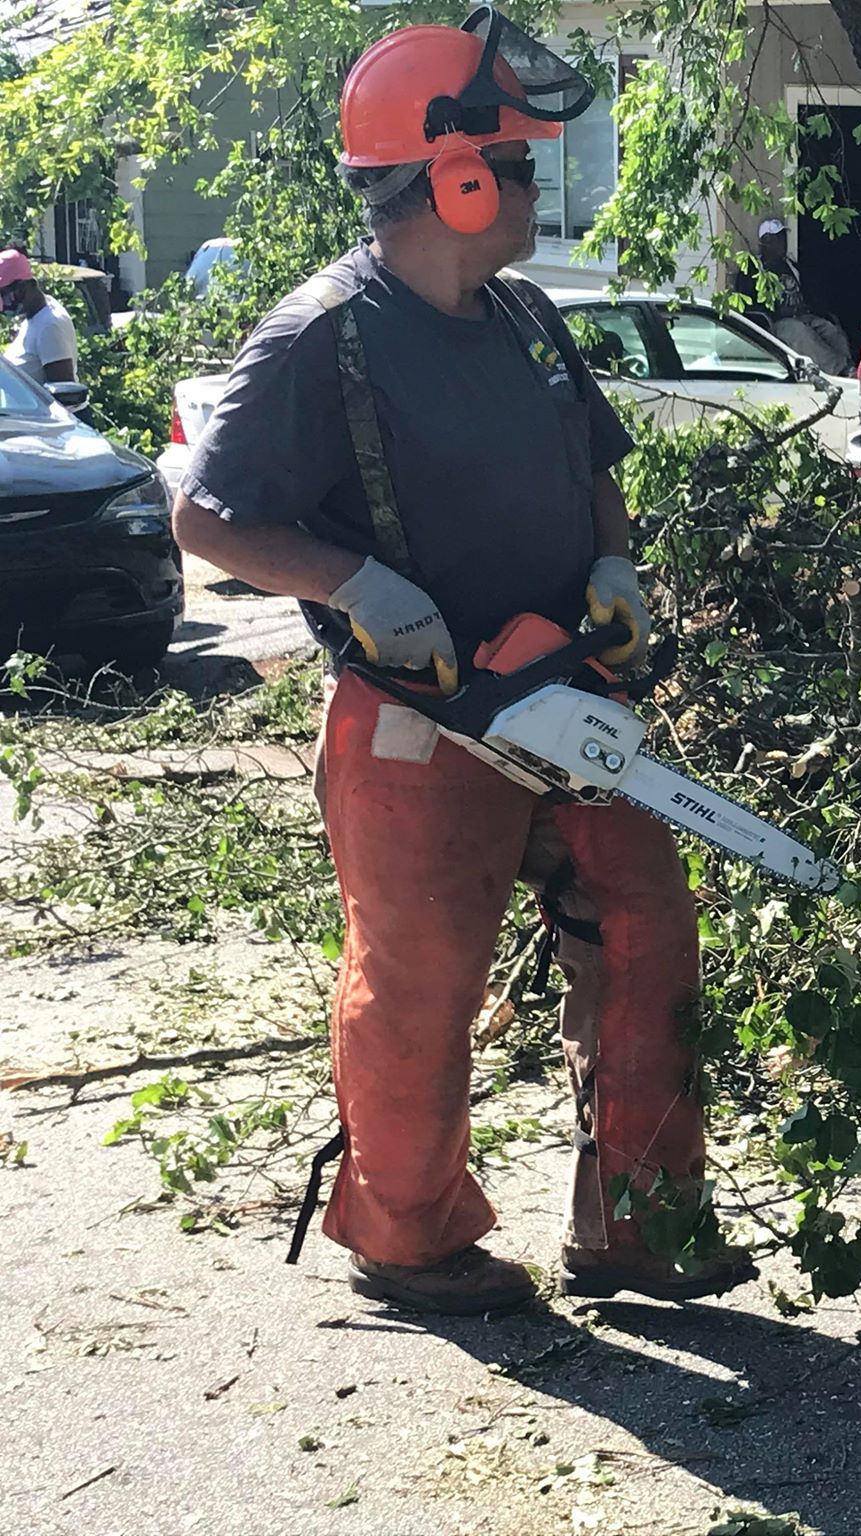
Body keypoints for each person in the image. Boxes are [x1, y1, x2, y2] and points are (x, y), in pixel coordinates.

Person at [169, 9, 757, 1316]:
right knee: (423, 973)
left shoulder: (527, 321)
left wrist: (616, 568)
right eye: (522, 165)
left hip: (563, 694)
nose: (536, 189)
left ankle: (641, 1229)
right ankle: (407, 1235)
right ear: (456, 174)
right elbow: (206, 517)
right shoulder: (324, 335)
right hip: (418, 711)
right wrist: (349, 582)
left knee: (648, 925)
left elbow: (599, 468)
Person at [744, 216, 852, 375]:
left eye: (783, 237)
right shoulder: (753, 269)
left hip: (803, 315)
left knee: (831, 330)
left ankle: (850, 367)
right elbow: (749, 303)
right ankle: (840, 370)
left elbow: (811, 293)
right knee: (802, 334)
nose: (783, 242)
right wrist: (778, 313)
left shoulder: (791, 265)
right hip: (777, 322)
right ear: (764, 242)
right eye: (777, 238)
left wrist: (815, 308)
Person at [0, 248, 78, 384]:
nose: (3, 306)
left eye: (3, 295)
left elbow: (63, 391)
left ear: (22, 287)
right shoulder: (36, 315)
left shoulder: (50, 325)